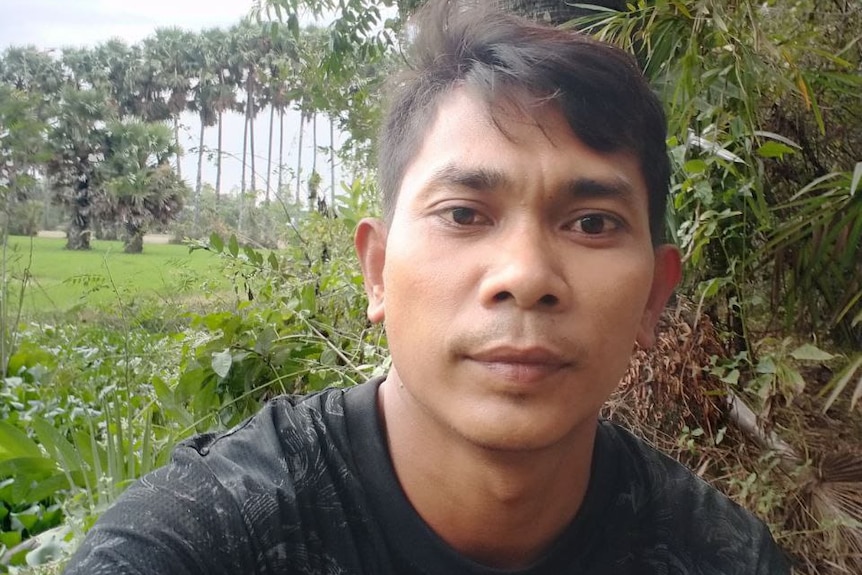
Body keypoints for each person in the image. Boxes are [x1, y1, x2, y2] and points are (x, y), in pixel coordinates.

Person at [63, 1, 790, 573]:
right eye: (464, 213)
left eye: (592, 222)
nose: (526, 276)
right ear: (377, 270)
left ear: (654, 298)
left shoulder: (719, 555)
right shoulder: (211, 533)